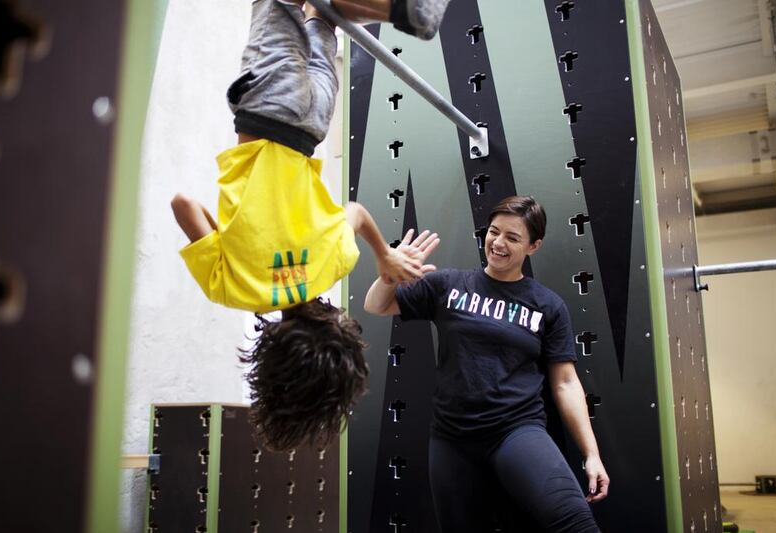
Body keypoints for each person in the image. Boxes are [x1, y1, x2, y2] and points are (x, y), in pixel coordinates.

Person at [170, 0, 448, 451]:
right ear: (274, 357)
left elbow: (355, 213)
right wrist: (228, 232)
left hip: (313, 123)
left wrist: (385, 255)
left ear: (336, 328)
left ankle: (399, 12)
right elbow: (183, 203)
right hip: (267, 107)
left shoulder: (332, 263)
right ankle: (405, 11)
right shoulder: (231, 288)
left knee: (318, 12)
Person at [364, 195, 609, 532]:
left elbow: (565, 382)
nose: (498, 243)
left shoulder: (547, 306)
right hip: (452, 438)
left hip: (516, 430)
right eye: (494, 232)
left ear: (533, 246)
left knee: (575, 522)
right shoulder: (447, 285)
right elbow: (376, 305)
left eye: (513, 237)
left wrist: (591, 454)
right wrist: (389, 274)